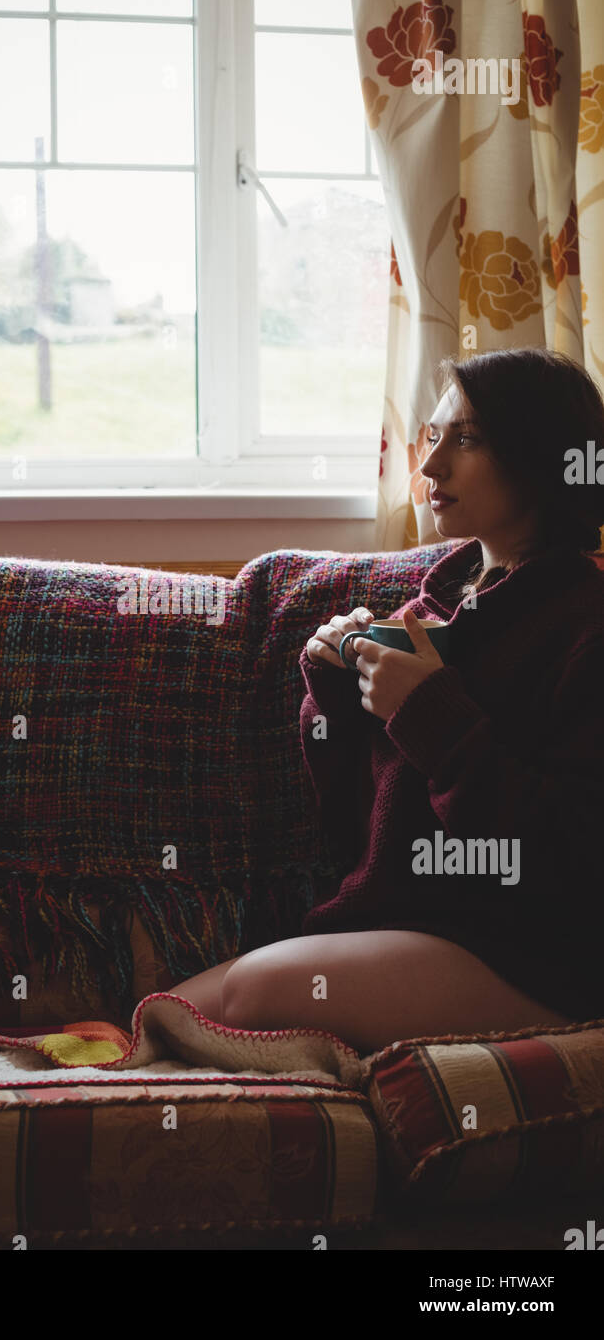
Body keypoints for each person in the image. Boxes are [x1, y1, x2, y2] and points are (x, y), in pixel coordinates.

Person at [166, 347, 604, 1053]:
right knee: (166, 1009)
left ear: (541, 456)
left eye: (468, 439)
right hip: (412, 928)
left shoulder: (585, 625)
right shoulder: (436, 607)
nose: (431, 466)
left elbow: (570, 856)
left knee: (251, 992)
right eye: (432, 437)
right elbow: (357, 828)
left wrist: (430, 709)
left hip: (533, 956)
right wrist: (336, 699)